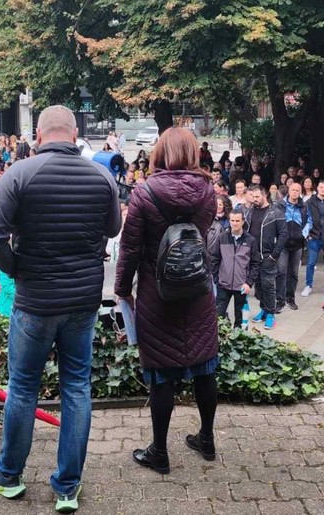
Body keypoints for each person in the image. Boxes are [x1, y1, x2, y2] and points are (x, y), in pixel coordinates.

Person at [0, 106, 120, 512]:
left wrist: (16, 268)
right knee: (77, 388)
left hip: (36, 301)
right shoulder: (101, 175)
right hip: (82, 302)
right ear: (75, 133)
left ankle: (8, 475)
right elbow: (112, 229)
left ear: (38, 135)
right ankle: (67, 487)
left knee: (22, 387)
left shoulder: (20, 174)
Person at [115, 127, 216, 483]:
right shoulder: (208, 191)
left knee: (161, 377)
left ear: (160, 153)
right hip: (197, 290)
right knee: (205, 367)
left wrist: (122, 290)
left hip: (157, 295)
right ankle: (206, 439)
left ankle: (159, 452)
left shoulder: (144, 193)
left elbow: (128, 248)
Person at [246, 185, 287, 329]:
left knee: (269, 285)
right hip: (253, 256)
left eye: (257, 197)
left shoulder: (276, 212)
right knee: (259, 286)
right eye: (253, 197)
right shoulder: (250, 212)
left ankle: (271, 314)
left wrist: (274, 255)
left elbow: (283, 234)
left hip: (268, 255)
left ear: (264, 196)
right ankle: (263, 309)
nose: (254, 199)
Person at [211, 209, 261, 327]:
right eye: (232, 220)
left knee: (240, 320)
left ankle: (238, 341)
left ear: (243, 221)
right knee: (218, 317)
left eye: (237, 220)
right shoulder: (222, 238)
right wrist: (216, 278)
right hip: (223, 284)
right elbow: (214, 258)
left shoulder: (251, 240)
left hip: (242, 285)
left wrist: (249, 283)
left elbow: (255, 263)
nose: (234, 223)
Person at [276, 182, 312, 311]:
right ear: (289, 190)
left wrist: (303, 234)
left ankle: (290, 298)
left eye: (298, 190)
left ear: (300, 192)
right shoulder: (279, 205)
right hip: (283, 244)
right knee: (281, 272)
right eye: (293, 190)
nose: (295, 192)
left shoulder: (304, 206)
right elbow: (275, 221)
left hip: (297, 244)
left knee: (294, 273)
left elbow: (309, 221)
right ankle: (279, 300)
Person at [303, 180, 324, 298]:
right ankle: (308, 285)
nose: (323, 189)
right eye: (321, 187)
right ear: (317, 188)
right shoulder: (309, 201)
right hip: (314, 235)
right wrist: (306, 233)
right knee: (311, 262)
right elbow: (304, 217)